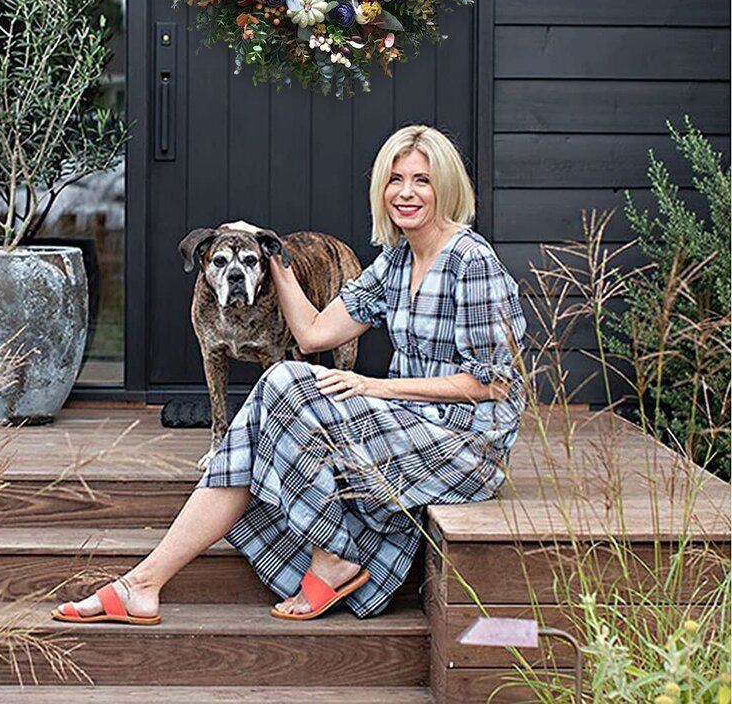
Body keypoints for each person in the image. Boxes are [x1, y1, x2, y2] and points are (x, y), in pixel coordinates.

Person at [52, 124, 527, 624]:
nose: (405, 193)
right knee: (278, 387)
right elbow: (314, 334)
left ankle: (320, 559)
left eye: (422, 180)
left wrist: (374, 386)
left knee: (282, 385)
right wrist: (268, 253)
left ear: (447, 186)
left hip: (466, 443)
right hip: (407, 422)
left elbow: (493, 383)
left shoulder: (472, 262)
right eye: (395, 179)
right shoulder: (396, 262)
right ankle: (144, 584)